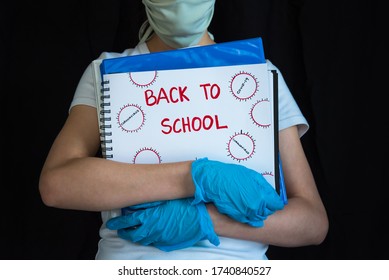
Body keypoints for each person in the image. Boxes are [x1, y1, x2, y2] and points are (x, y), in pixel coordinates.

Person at [39, 0, 328, 260]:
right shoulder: (106, 70)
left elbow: (313, 223)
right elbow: (57, 184)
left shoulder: (259, 74)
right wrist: (196, 176)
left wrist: (206, 220)